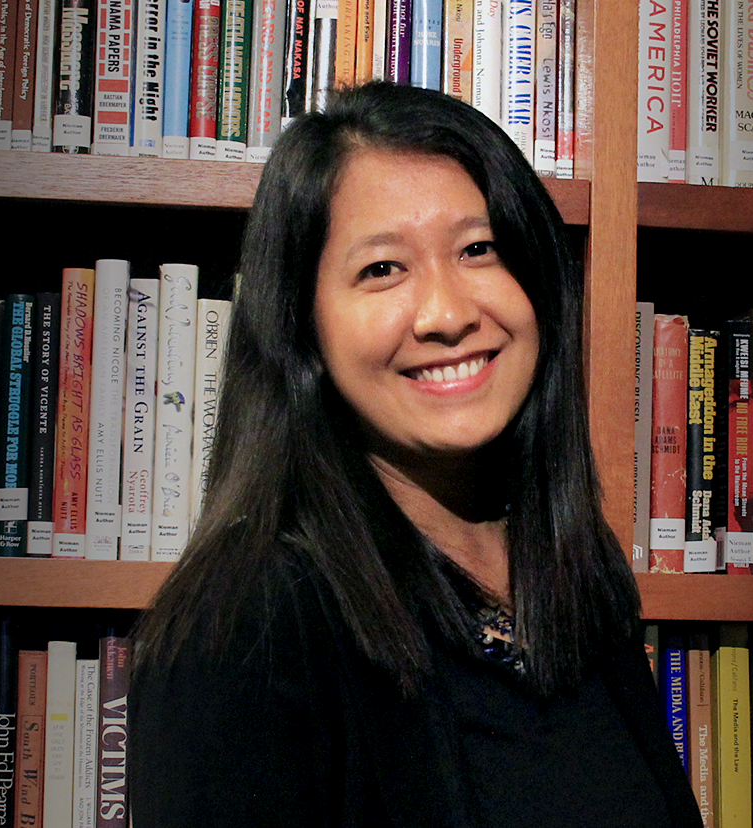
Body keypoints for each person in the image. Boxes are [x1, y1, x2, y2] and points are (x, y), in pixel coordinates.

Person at [129, 81, 703, 828]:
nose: (446, 314)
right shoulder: (244, 632)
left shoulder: (573, 573)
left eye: (477, 249)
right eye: (382, 269)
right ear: (302, 329)